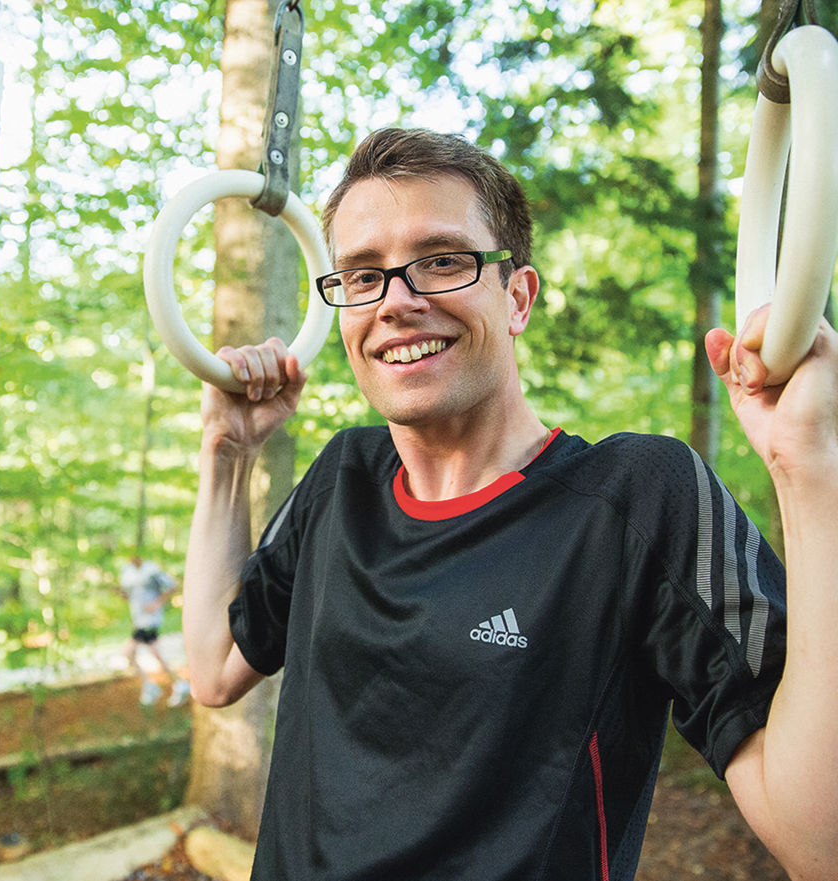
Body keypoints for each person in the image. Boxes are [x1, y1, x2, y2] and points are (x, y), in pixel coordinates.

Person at [182, 128, 838, 880]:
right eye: (363, 276)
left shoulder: (633, 501)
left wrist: (810, 470)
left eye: (441, 261)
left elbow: (819, 843)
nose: (397, 301)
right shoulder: (342, 480)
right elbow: (214, 666)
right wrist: (225, 455)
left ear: (517, 297)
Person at [119, 556, 190, 707]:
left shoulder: (152, 571)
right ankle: (175, 684)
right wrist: (121, 594)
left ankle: (157, 685)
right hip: (139, 620)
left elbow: (173, 587)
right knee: (153, 655)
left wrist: (156, 604)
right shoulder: (128, 573)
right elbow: (130, 597)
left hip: (149, 620)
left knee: (129, 652)